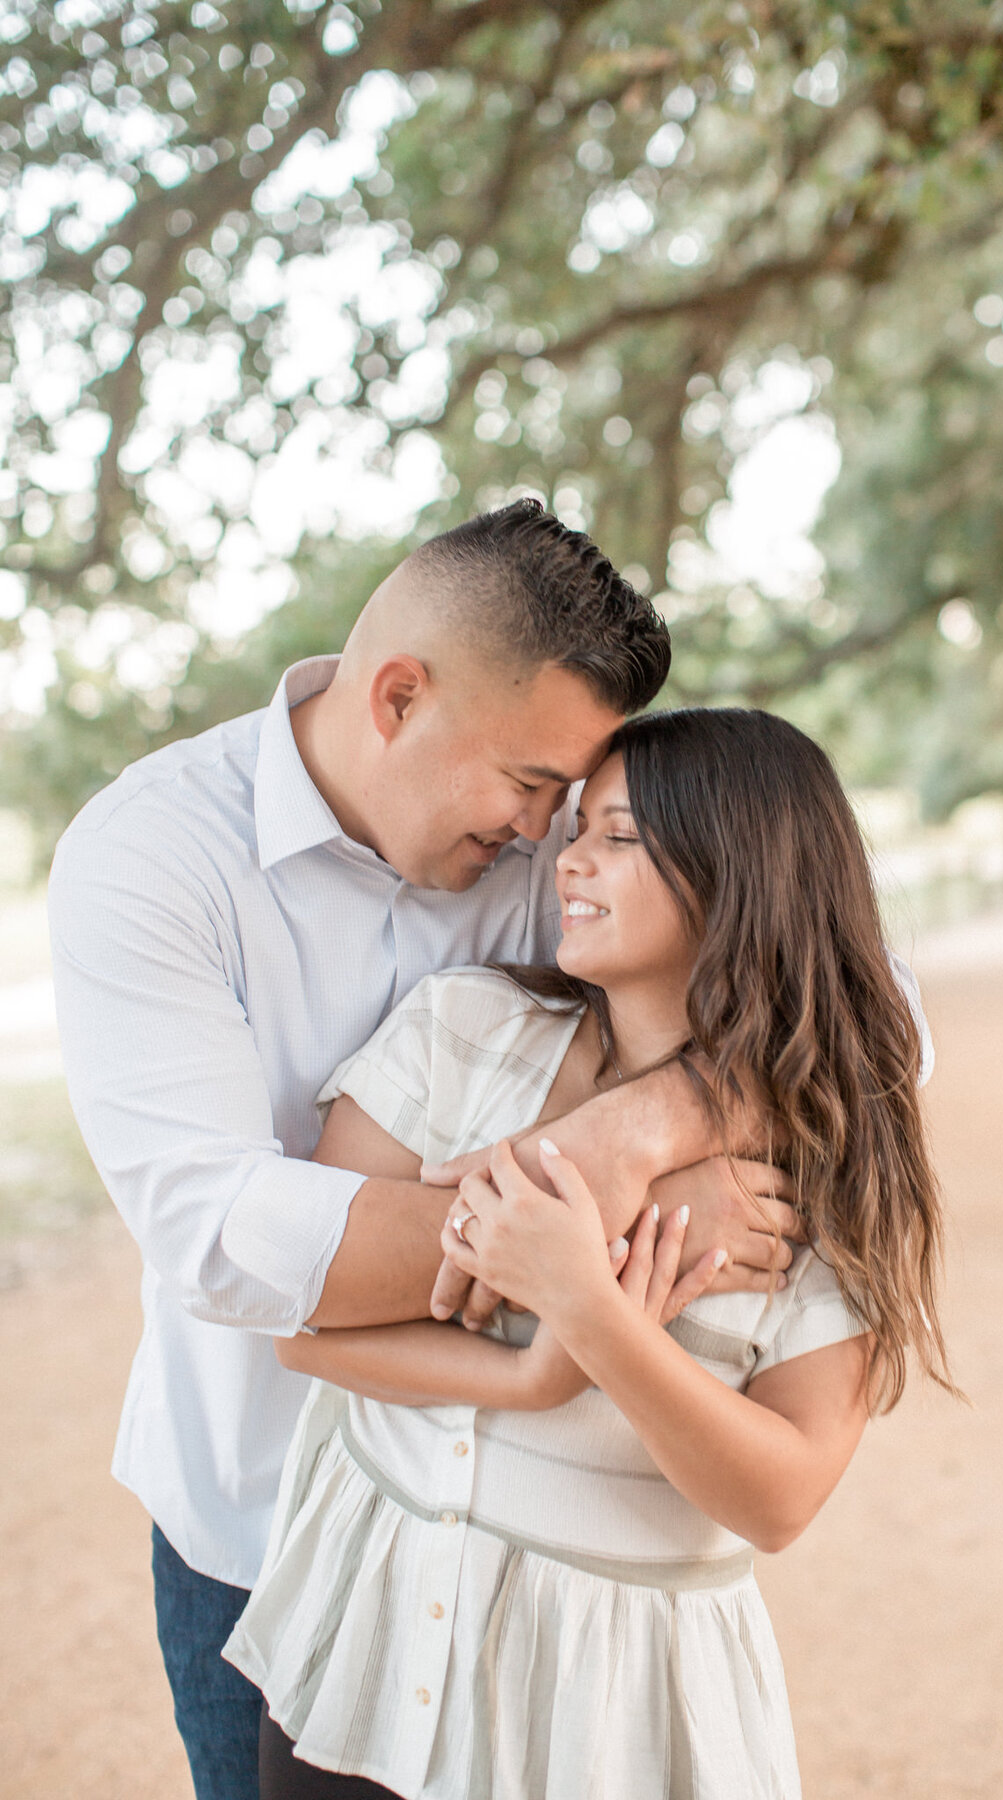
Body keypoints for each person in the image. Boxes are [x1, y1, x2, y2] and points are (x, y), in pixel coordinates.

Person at [47, 504, 811, 1800]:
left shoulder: (548, 845)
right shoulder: (151, 858)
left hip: (525, 1549)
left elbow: (865, 1002)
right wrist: (583, 1212)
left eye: (574, 801)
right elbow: (231, 1246)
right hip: (261, 1522)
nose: (550, 835)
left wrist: (646, 1124)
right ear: (398, 697)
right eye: (529, 786)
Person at [222, 706, 952, 1800]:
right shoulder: (462, 1031)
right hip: (360, 1650)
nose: (570, 859)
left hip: (602, 1719)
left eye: (620, 835)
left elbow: (781, 1496)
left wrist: (595, 1315)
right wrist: (536, 1369)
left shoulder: (824, 1169)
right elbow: (308, 1327)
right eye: (577, 829)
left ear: (738, 872)